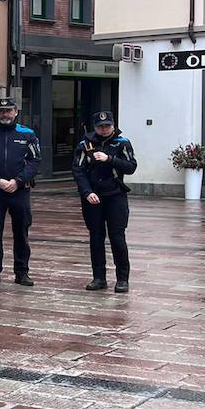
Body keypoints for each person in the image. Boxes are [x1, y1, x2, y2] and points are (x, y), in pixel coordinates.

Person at [0, 97, 42, 287]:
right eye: (2, 111)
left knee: (21, 232)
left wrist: (18, 181)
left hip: (19, 191)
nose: (5, 114)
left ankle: (22, 272)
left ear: (16, 112)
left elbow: (35, 161)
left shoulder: (27, 134)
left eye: (9, 111)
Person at [72, 110, 136, 293]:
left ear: (113, 125)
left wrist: (110, 159)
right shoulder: (85, 144)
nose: (104, 129)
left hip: (115, 196)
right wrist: (86, 192)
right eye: (100, 126)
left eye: (107, 125)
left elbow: (131, 167)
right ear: (95, 128)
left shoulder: (122, 143)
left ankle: (122, 279)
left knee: (117, 238)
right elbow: (78, 171)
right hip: (93, 198)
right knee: (96, 238)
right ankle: (99, 278)